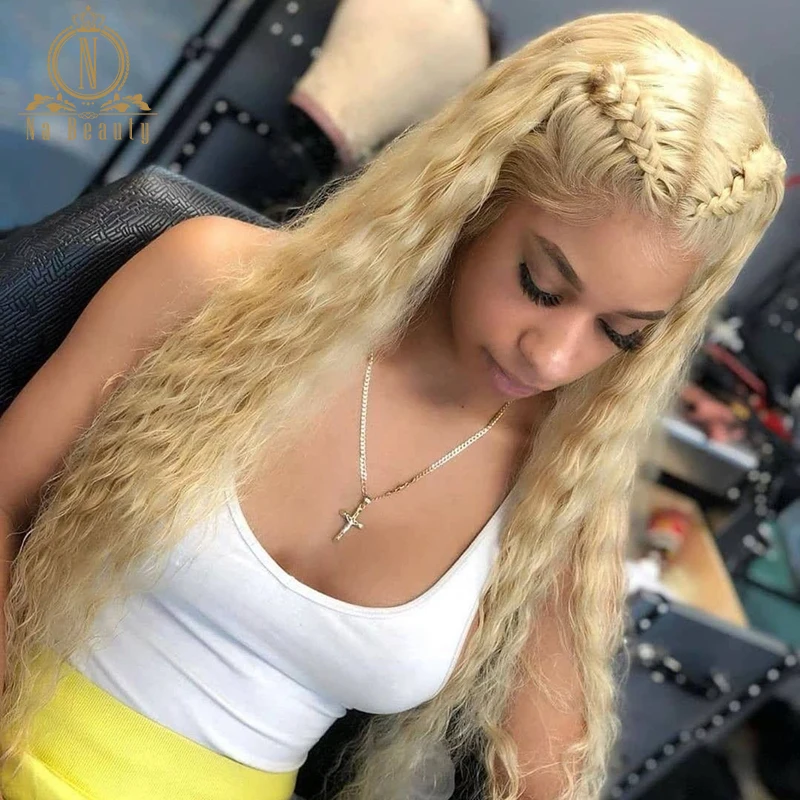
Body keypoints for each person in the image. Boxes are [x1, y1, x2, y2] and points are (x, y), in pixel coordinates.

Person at [0, 11, 787, 800]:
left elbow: (545, 782)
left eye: (619, 333)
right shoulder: (211, 284)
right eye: (540, 286)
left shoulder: (557, 488)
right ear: (475, 194)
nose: (552, 357)